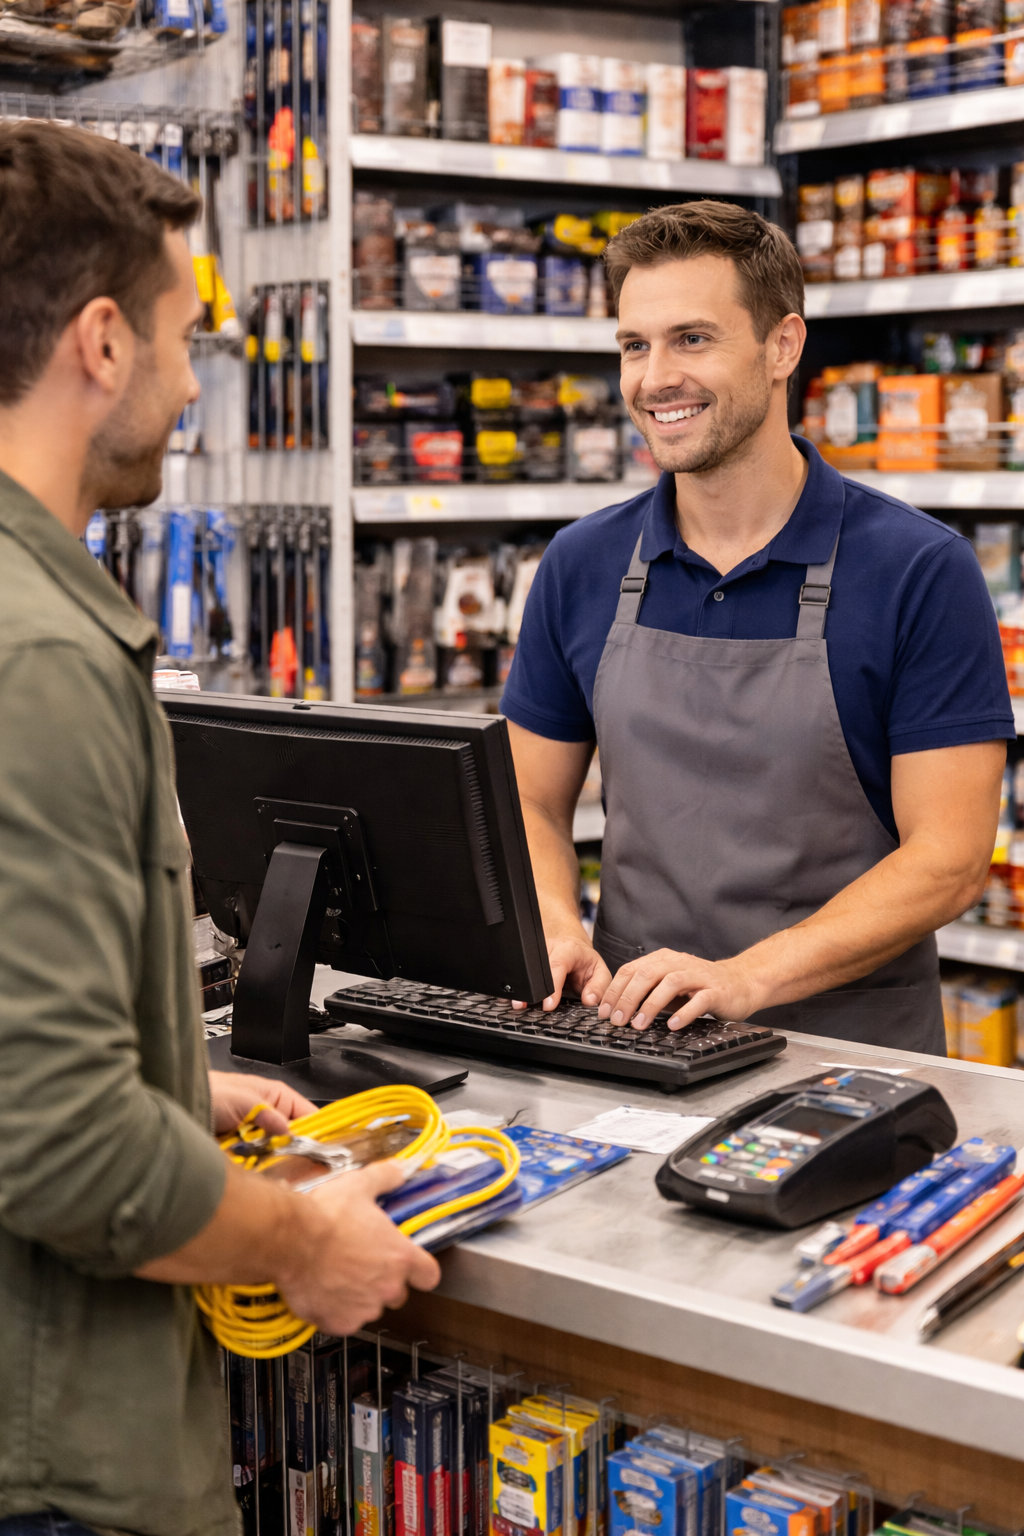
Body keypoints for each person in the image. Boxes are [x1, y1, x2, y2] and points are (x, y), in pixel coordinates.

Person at [0, 121, 438, 1536]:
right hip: (54, 1464)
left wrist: (171, 1091)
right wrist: (305, 1237)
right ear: (104, 343)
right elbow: (56, 1143)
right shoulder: (42, 658)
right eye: (190, 338)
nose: (198, 383)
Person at [502, 200, 1014, 1054]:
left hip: (848, 1054)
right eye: (635, 345)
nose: (654, 377)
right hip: (634, 1032)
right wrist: (554, 922)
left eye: (692, 339)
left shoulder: (919, 570)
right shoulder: (582, 563)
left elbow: (951, 858)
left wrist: (747, 977)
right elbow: (528, 799)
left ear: (783, 347)